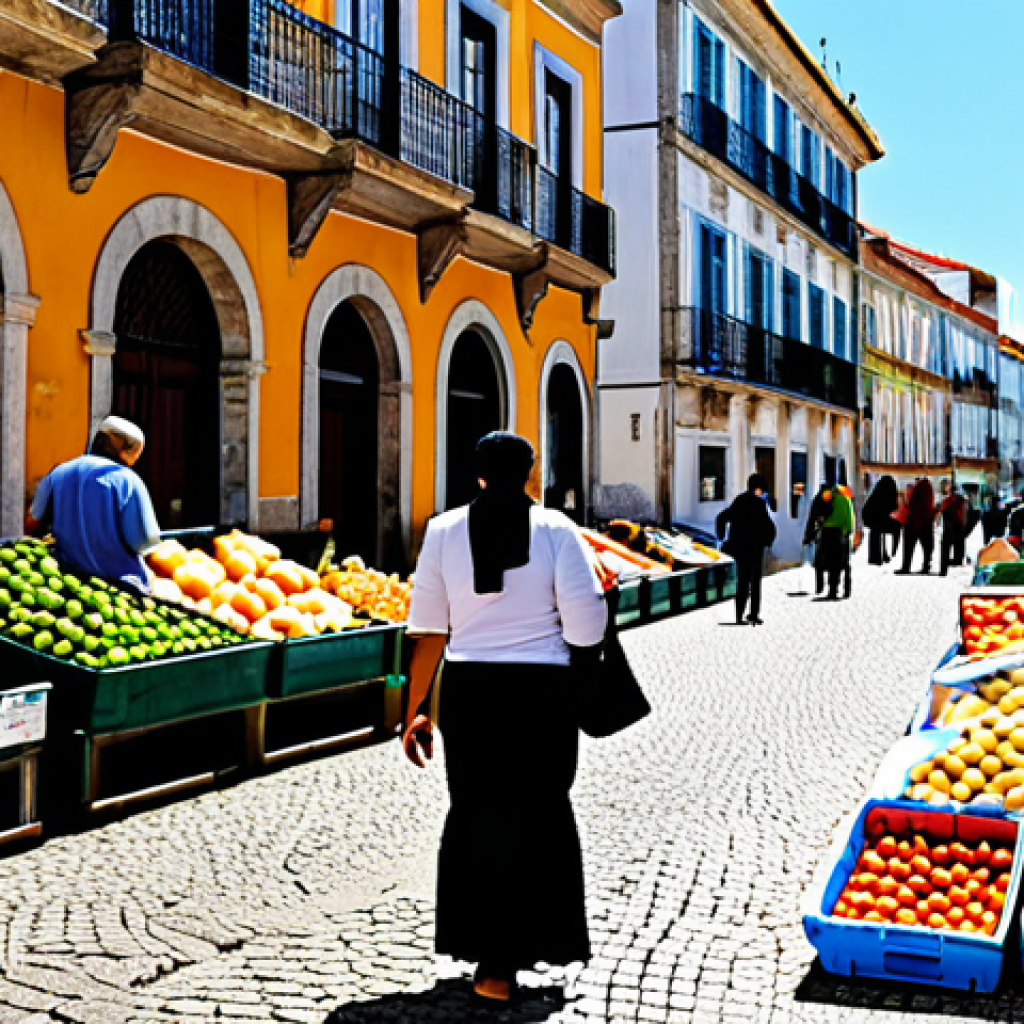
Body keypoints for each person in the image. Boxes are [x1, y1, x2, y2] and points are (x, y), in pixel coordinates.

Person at [402, 432, 607, 1004]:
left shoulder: (441, 532)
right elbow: (587, 626)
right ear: (530, 474)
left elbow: (427, 633)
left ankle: (492, 966)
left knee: (477, 815)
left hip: (471, 694)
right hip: (543, 694)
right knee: (541, 813)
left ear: (478, 474)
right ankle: (534, 944)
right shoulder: (557, 531)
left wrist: (416, 711)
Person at [27, 416, 160, 592]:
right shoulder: (129, 481)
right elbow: (145, 541)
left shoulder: (57, 473)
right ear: (129, 451)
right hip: (118, 590)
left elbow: (32, 522)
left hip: (66, 583)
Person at [716, 473, 777, 626]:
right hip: (755, 548)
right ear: (758, 488)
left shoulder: (740, 500)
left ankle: (739, 615)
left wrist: (722, 536)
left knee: (742, 581)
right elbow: (768, 525)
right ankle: (753, 614)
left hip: (740, 547)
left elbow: (722, 517)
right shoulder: (759, 504)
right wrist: (768, 541)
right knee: (755, 582)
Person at [895, 478, 936, 575]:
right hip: (926, 522)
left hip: (913, 522)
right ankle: (926, 566)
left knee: (908, 546)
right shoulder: (929, 492)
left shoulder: (916, 492)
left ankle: (906, 567)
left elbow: (911, 505)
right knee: (927, 547)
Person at [862, 475, 900, 566]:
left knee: (876, 533)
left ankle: (876, 557)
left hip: (874, 520)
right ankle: (892, 554)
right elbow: (894, 507)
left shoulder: (876, 494)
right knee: (894, 530)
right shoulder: (891, 491)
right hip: (882, 520)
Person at [936, 479, 968, 576]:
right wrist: (964, 525)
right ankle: (956, 562)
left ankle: (943, 570)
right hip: (959, 526)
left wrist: (937, 522)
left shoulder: (946, 500)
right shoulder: (962, 499)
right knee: (958, 549)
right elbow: (964, 513)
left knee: (945, 549)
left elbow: (940, 512)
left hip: (948, 526)